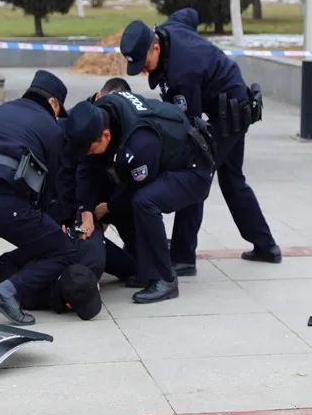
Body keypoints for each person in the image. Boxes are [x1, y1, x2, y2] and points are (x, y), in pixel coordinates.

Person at [120, 9, 282, 267]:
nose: (142, 71)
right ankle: (266, 246)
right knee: (232, 179)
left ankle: (184, 258)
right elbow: (189, 14)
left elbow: (189, 130)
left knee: (194, 171)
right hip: (233, 102)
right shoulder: (171, 29)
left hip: (229, 114)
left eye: (144, 63)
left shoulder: (181, 76)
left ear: (155, 47)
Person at [65, 91, 215, 303]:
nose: (87, 153)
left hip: (194, 170)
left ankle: (164, 278)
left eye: (90, 148)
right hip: (165, 158)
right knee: (118, 196)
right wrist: (86, 210)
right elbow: (86, 167)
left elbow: (134, 192)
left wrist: (107, 208)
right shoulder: (102, 112)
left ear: (106, 135)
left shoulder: (139, 142)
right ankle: (142, 265)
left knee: (143, 202)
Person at [0, 69, 76, 326]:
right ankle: (8, 291)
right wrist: (54, 220)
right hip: (8, 207)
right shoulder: (51, 129)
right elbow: (53, 185)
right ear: (53, 102)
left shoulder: (0, 111)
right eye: (59, 110)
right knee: (63, 251)